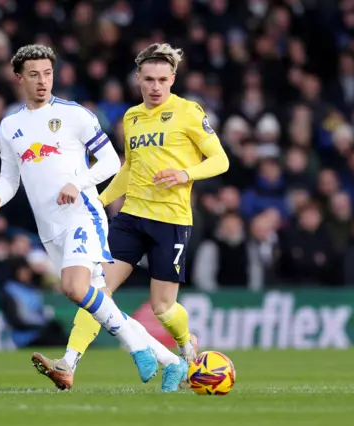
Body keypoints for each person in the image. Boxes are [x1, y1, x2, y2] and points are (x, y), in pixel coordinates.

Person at [0, 44, 184, 391]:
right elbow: (11, 176)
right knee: (97, 301)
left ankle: (139, 349)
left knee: (74, 288)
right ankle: (172, 362)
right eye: (34, 74)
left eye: (47, 73)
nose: (43, 81)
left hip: (82, 214)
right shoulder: (10, 126)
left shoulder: (76, 115)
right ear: (19, 78)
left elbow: (110, 162)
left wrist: (78, 184)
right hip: (49, 229)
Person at [33, 43, 229, 389]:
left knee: (163, 308)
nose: (155, 87)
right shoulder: (132, 117)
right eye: (149, 79)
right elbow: (128, 168)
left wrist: (186, 174)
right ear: (138, 78)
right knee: (96, 291)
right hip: (131, 216)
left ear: (173, 79)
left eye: (163, 80)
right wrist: (97, 198)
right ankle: (68, 362)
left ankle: (186, 348)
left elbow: (220, 160)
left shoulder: (189, 112)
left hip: (171, 221)